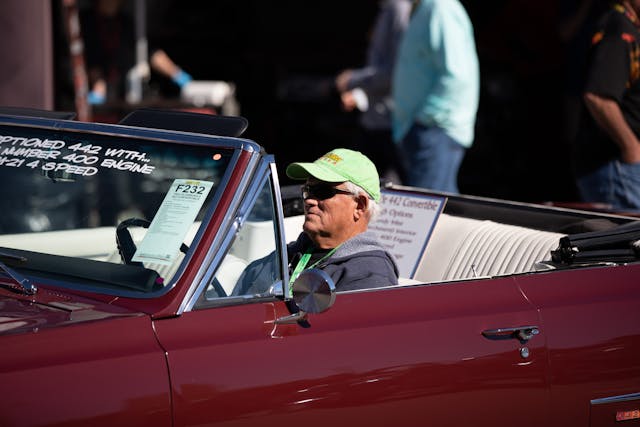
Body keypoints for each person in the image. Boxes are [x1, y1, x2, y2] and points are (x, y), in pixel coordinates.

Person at [233, 148, 399, 294]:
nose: (309, 200)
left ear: (360, 206)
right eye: (308, 190)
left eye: (322, 191)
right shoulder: (284, 258)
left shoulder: (371, 274)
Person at [391, 0, 479, 193]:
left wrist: (424, 121)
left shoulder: (441, 7)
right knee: (431, 211)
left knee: (429, 214)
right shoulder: (426, 7)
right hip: (423, 130)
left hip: (434, 130)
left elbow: (457, 74)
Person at [572, 0, 640, 210]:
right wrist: (631, 147)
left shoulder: (630, 27)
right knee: (624, 241)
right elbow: (598, 97)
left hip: (622, 167)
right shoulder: (618, 28)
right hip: (616, 167)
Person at [335, 0, 412, 183]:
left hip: (390, 123)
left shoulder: (398, 9)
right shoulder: (388, 9)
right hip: (375, 119)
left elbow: (394, 73)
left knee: (391, 192)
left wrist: (352, 80)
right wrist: (360, 93)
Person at [80, 0, 193, 105]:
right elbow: (89, 55)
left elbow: (150, 52)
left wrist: (178, 75)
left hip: (124, 88)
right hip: (91, 90)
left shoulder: (125, 23)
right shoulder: (87, 21)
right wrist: (98, 88)